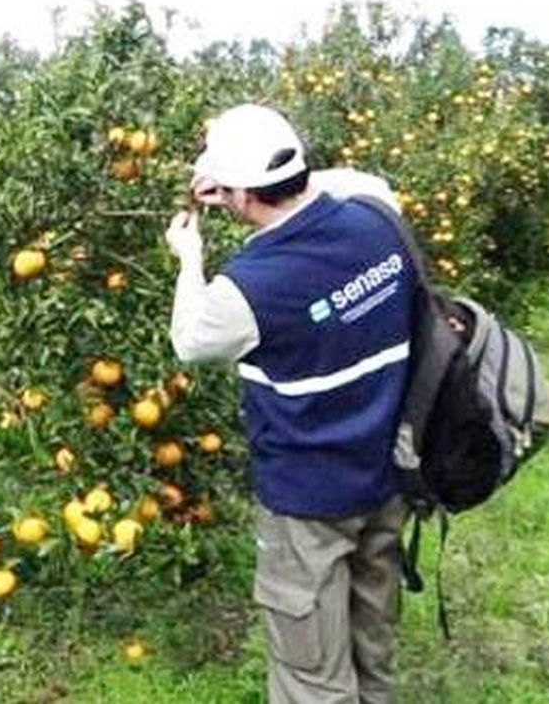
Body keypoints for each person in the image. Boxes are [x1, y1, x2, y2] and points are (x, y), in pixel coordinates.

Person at [164, 103, 414, 703]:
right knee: (370, 643)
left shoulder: (251, 286)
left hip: (309, 499)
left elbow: (190, 340)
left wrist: (189, 258)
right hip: (388, 470)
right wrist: (238, 185)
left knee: (311, 672)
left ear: (244, 194)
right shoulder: (377, 218)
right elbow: (342, 182)